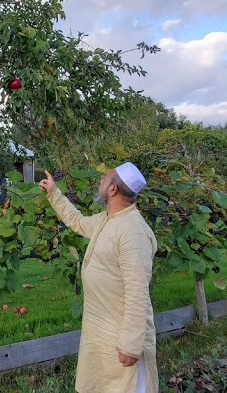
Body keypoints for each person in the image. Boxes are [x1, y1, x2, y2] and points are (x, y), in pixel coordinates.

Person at [39, 162, 158, 393]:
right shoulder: (108, 219)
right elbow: (78, 221)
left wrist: (131, 345)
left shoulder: (133, 231)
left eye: (105, 179)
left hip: (120, 334)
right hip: (99, 327)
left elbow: (137, 291)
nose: (100, 182)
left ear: (113, 190)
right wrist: (54, 193)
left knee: (125, 386)